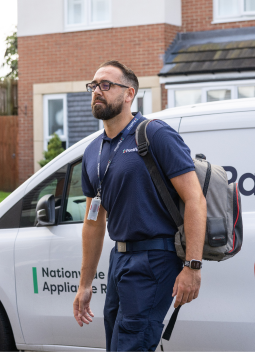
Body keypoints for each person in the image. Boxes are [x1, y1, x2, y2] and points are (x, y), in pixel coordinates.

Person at [73, 60, 207, 352]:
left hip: (155, 258)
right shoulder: (92, 151)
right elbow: (94, 223)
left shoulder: (154, 134)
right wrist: (85, 285)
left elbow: (195, 198)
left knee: (131, 344)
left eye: (106, 85)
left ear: (129, 93)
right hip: (119, 258)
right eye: (93, 85)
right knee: (118, 343)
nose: (97, 91)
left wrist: (192, 266)